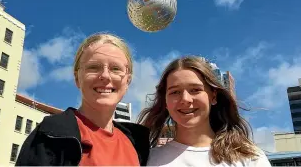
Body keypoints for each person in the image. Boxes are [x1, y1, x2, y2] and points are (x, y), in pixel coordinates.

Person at [15, 33, 150, 166]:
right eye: (93, 67)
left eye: (115, 69)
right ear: (77, 78)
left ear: (128, 81)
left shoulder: (138, 143)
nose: (105, 75)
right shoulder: (49, 136)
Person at [137, 56, 271, 167]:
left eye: (195, 90)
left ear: (213, 96)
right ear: (165, 102)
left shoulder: (250, 158)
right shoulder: (146, 160)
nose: (185, 99)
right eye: (175, 92)